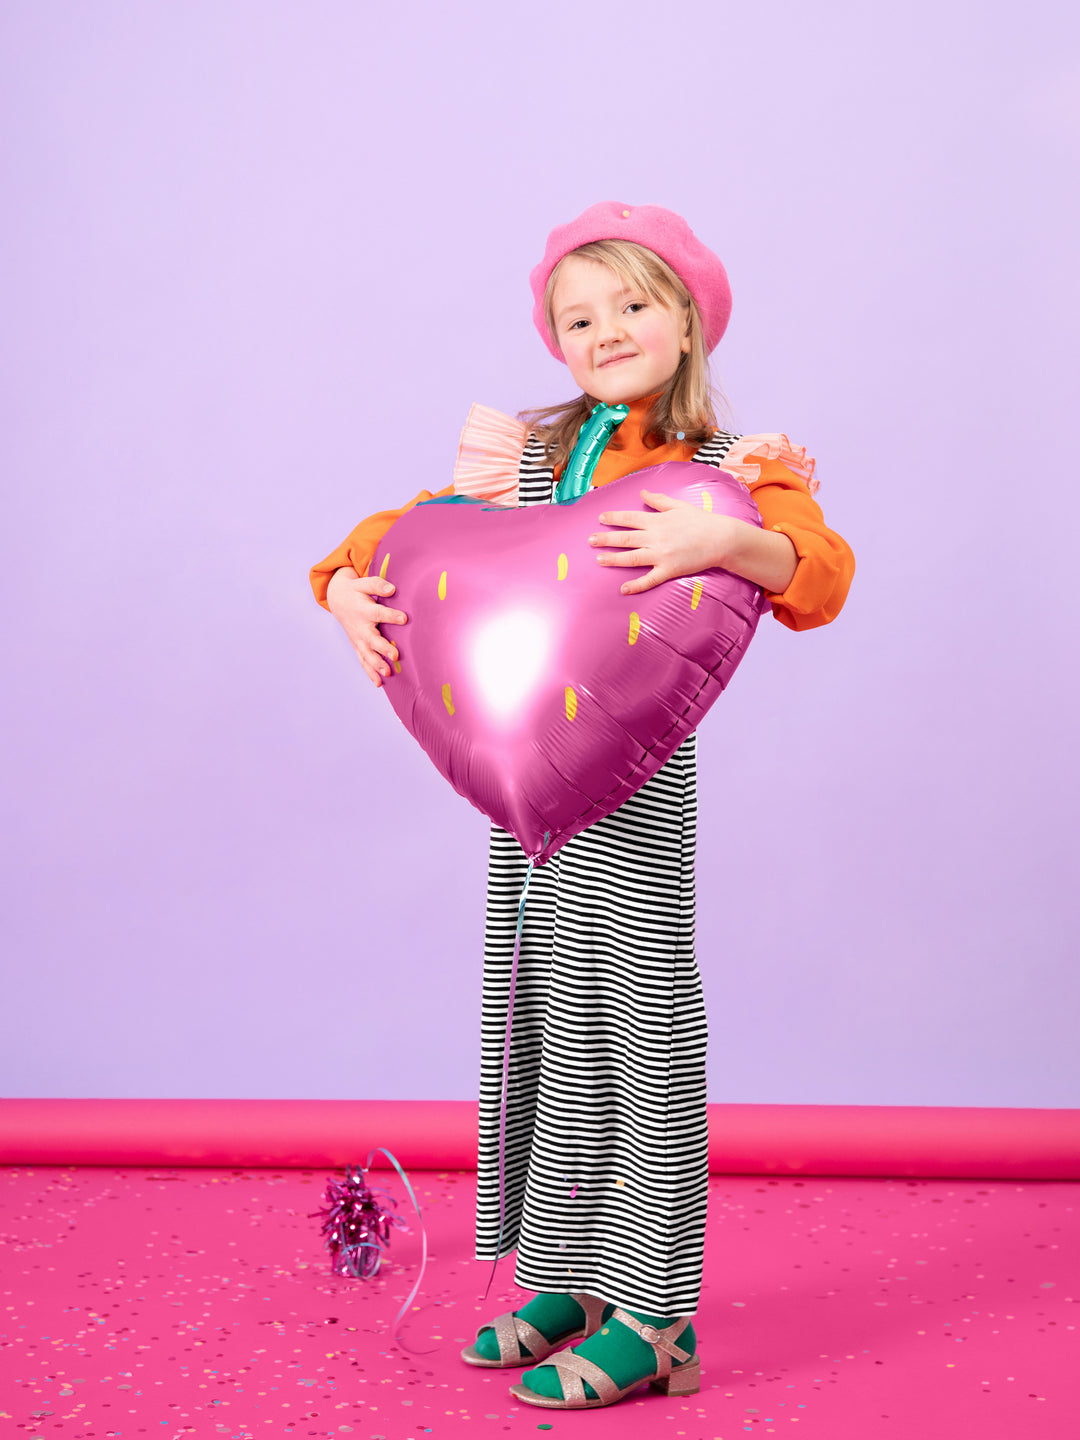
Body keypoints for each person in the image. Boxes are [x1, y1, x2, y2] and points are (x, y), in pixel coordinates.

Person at [309, 202, 855, 1411]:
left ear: (688, 321)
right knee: (551, 1025)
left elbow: (820, 576)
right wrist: (342, 587)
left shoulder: (734, 468)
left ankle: (657, 1315)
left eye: (633, 303)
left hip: (639, 789)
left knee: (644, 1027)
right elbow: (395, 540)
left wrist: (732, 539)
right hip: (519, 806)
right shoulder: (528, 457)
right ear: (554, 341)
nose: (604, 329)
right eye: (577, 314)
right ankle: (569, 1274)